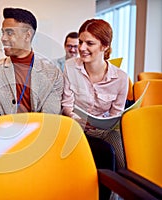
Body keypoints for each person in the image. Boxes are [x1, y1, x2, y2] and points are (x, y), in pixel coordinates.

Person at [62, 19, 129, 169]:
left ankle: (116, 191)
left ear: (105, 46)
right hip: (75, 126)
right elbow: (66, 104)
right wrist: (77, 119)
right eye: (80, 42)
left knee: (124, 162)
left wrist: (103, 123)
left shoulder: (121, 78)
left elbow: (115, 114)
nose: (82, 48)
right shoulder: (70, 66)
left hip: (104, 131)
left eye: (89, 43)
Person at [0, 7, 63, 115]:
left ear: (27, 35)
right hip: (4, 130)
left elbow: (50, 117)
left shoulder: (53, 74)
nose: (3, 38)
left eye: (9, 33)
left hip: (41, 130)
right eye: (3, 33)